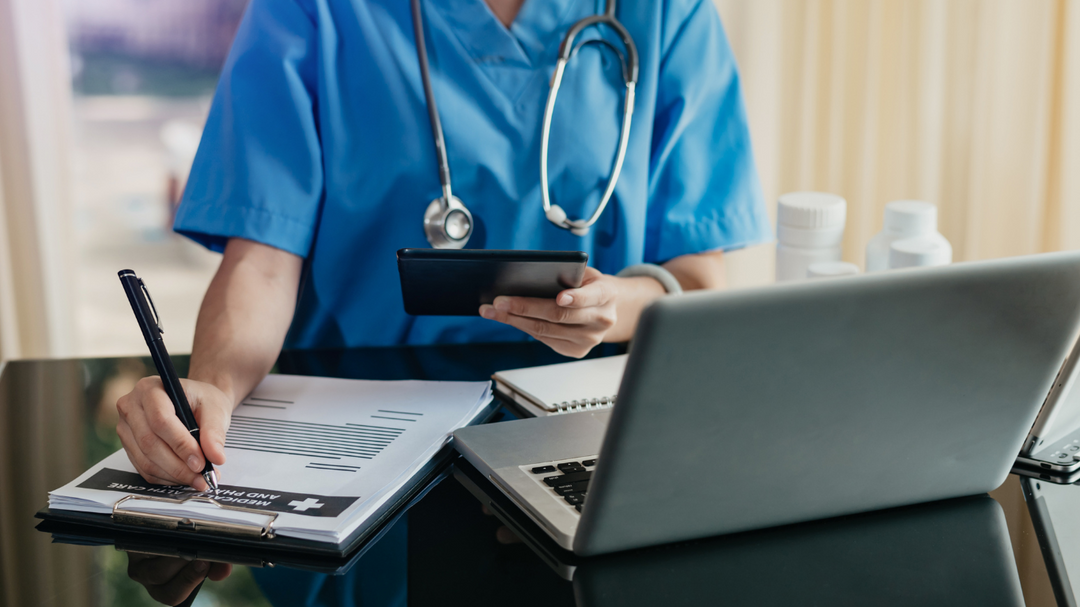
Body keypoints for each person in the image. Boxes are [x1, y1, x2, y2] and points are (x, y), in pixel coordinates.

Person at [115, 0, 771, 490]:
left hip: (587, 435)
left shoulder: (668, 12)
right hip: (349, 434)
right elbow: (260, 260)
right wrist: (212, 391)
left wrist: (607, 308)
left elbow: (693, 278)